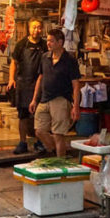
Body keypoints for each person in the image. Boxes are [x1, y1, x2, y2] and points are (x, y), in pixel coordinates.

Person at [29, 29, 81, 158]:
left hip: (61, 100)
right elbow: (40, 79)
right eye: (48, 41)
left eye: (51, 41)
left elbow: (76, 85)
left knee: (58, 134)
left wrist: (76, 106)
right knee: (39, 131)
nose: (48, 43)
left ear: (60, 42)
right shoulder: (45, 57)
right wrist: (34, 99)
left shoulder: (69, 60)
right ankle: (58, 150)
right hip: (44, 99)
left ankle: (60, 161)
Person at [8, 17, 49, 155]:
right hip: (23, 84)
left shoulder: (45, 45)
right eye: (33, 27)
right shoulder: (21, 45)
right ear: (29, 28)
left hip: (40, 84)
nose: (35, 30)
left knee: (40, 116)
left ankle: (40, 142)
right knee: (23, 116)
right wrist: (11, 79)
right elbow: (13, 62)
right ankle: (22, 143)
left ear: (41, 29)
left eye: (38, 27)